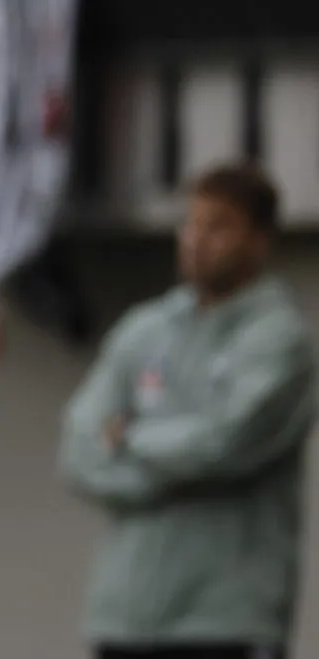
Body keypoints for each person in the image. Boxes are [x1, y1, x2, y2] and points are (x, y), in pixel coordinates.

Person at [59, 163, 317, 659]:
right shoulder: (145, 329)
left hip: (226, 622)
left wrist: (131, 439)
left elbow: (226, 442)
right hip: (126, 618)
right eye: (191, 223)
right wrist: (175, 469)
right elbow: (78, 449)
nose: (197, 239)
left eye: (218, 226)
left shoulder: (279, 340)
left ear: (259, 241)